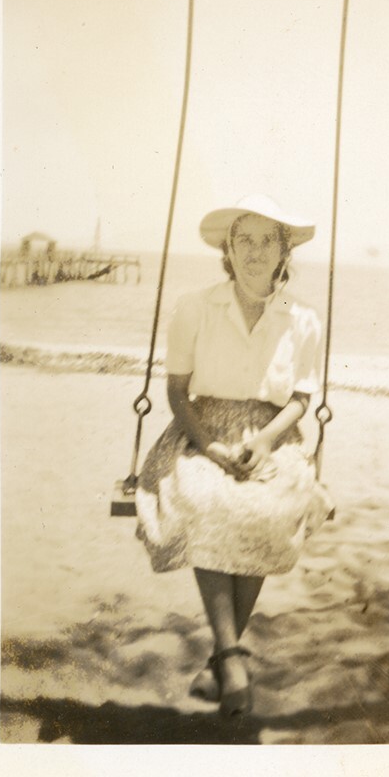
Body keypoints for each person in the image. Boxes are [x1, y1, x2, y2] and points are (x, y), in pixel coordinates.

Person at [135, 194, 333, 716]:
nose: (254, 250)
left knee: (268, 511)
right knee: (205, 501)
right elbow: (177, 392)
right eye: (244, 238)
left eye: (267, 239)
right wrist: (211, 444)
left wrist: (265, 440)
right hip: (201, 427)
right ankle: (230, 655)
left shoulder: (304, 317)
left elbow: (301, 399)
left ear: (283, 250)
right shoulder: (196, 306)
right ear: (228, 247)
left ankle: (222, 659)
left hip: (273, 433)